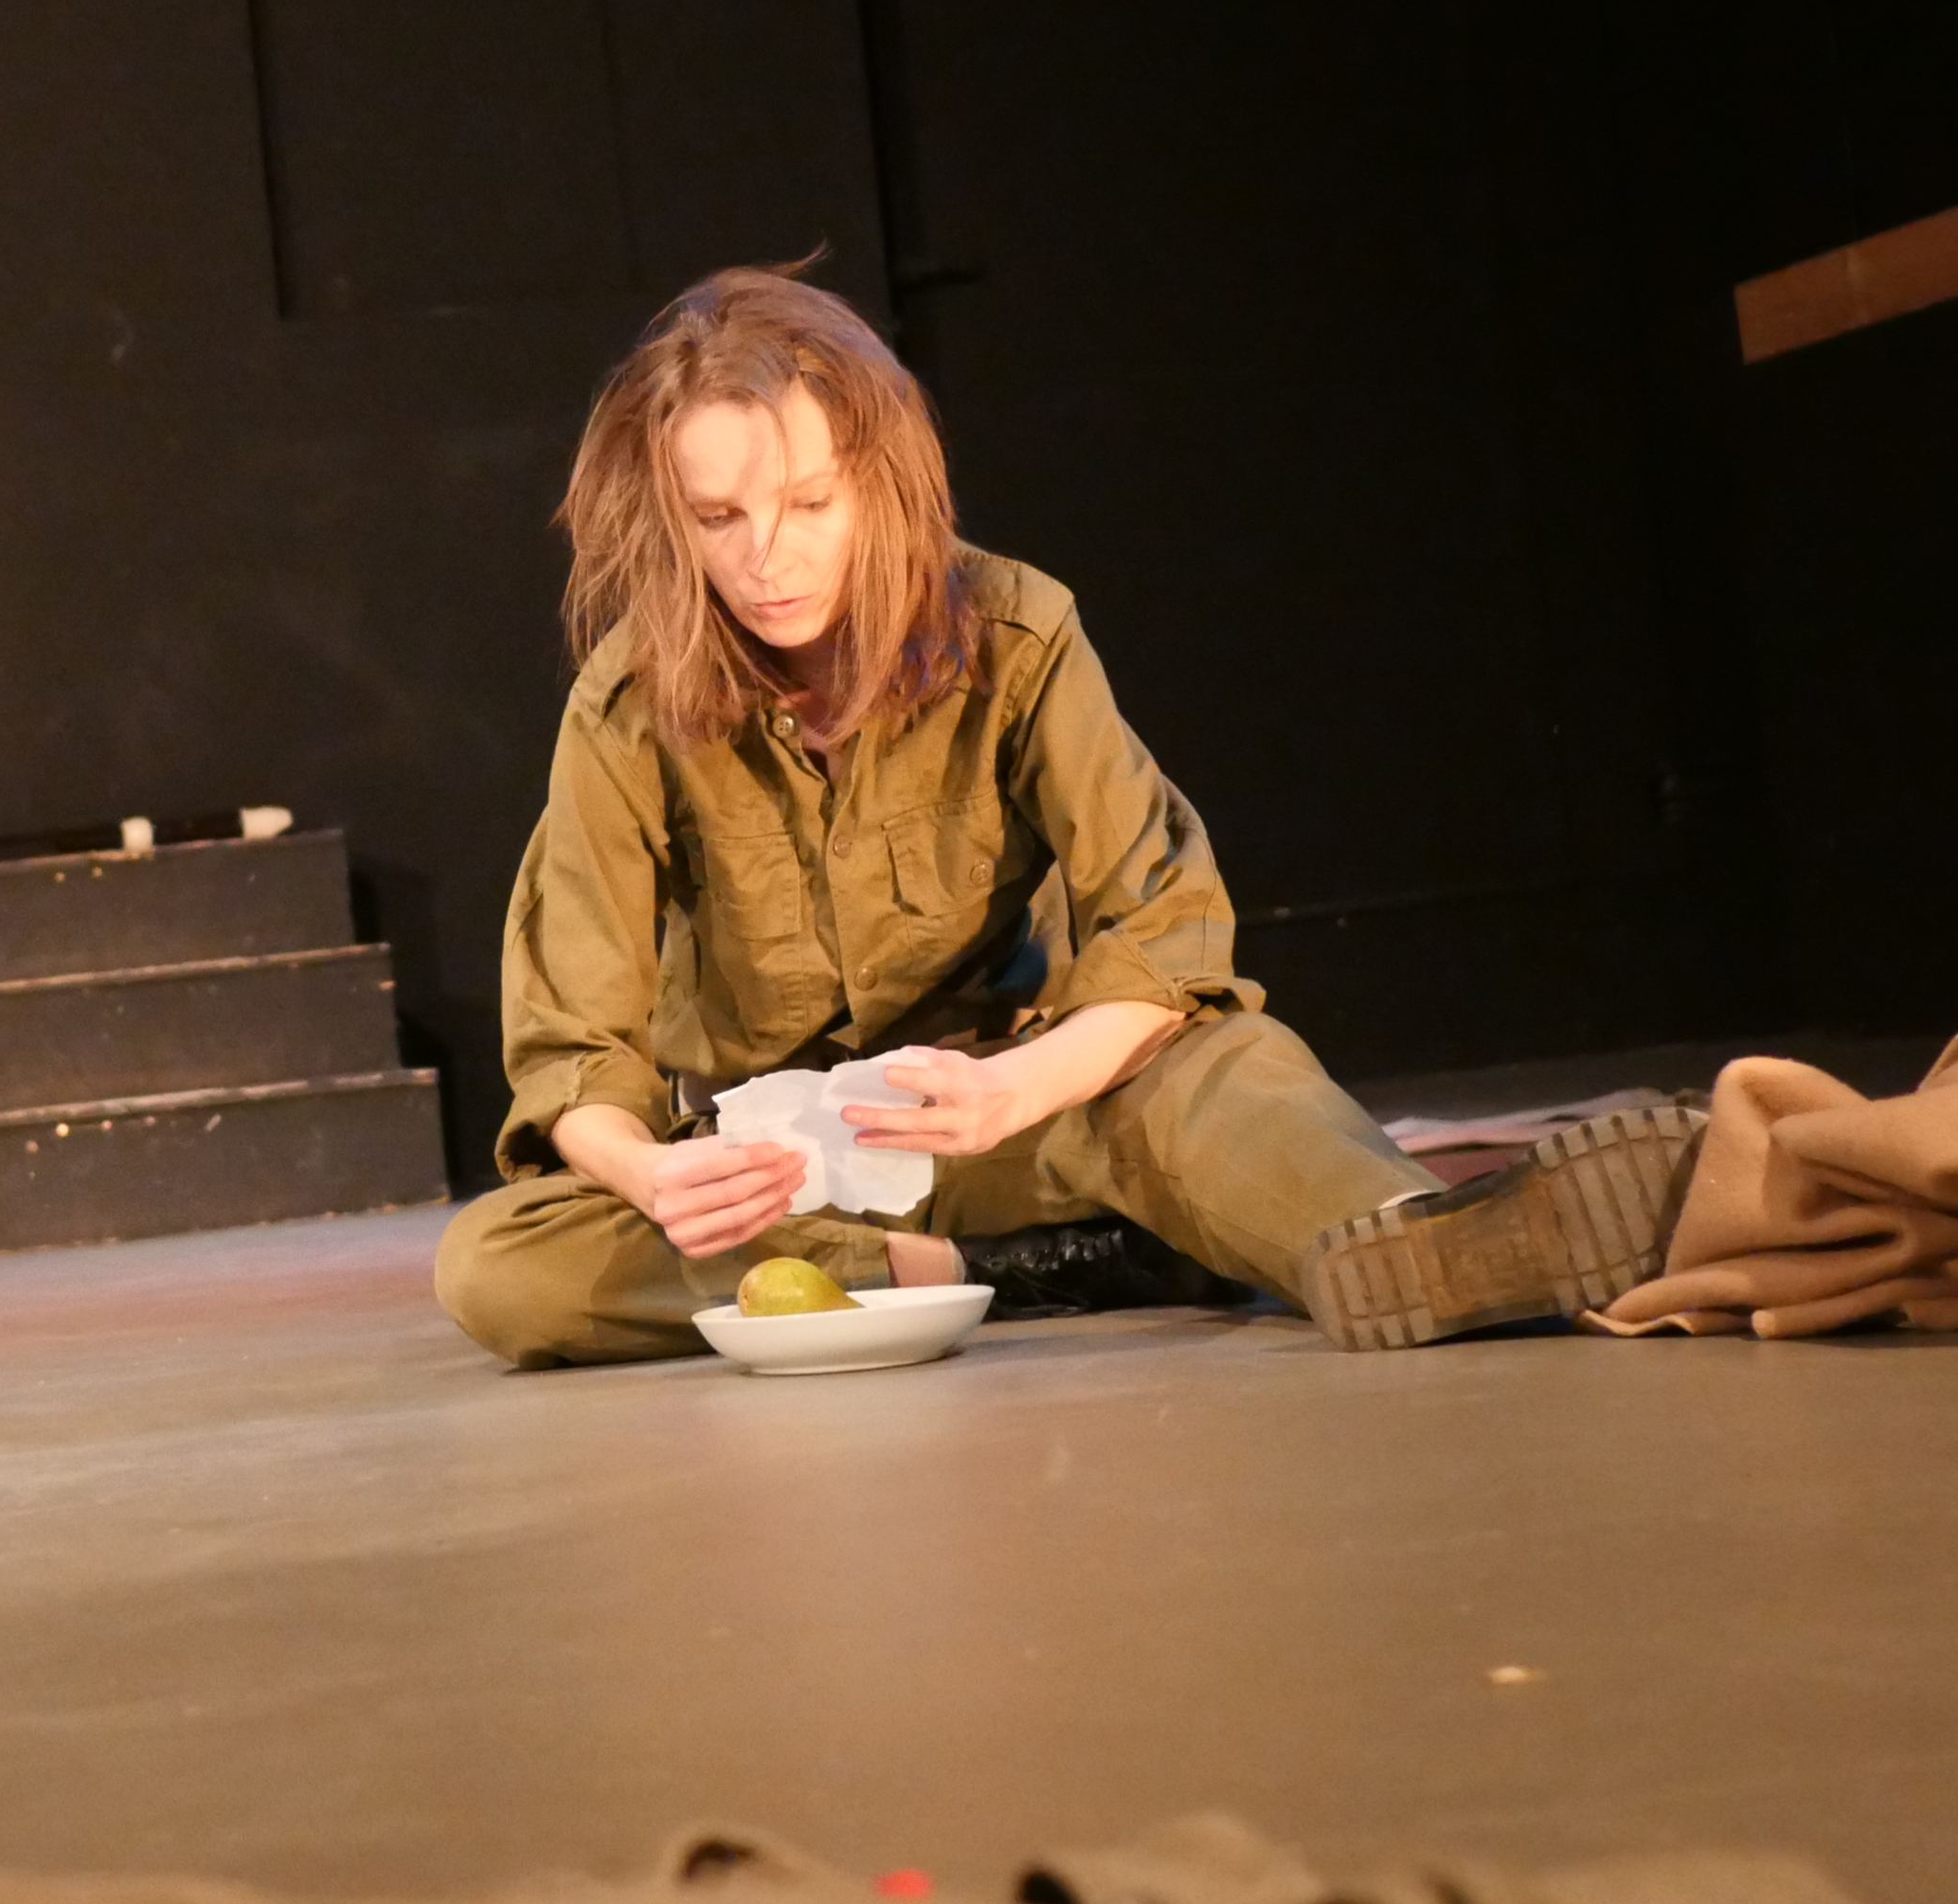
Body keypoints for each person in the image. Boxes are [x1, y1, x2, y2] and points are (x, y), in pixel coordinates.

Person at [431, 267, 1705, 1365]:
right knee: (503, 1264)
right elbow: (573, 1053)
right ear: (673, 520)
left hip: (1025, 1118)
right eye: (720, 517)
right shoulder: (630, 704)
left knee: (1221, 1072)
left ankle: (1431, 1244)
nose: (767, 555)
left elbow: (1166, 939)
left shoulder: (1019, 633)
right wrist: (659, 1174)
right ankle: (1033, 1271)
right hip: (794, 1174)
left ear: (881, 484)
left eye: (810, 503)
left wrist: (1010, 1094)